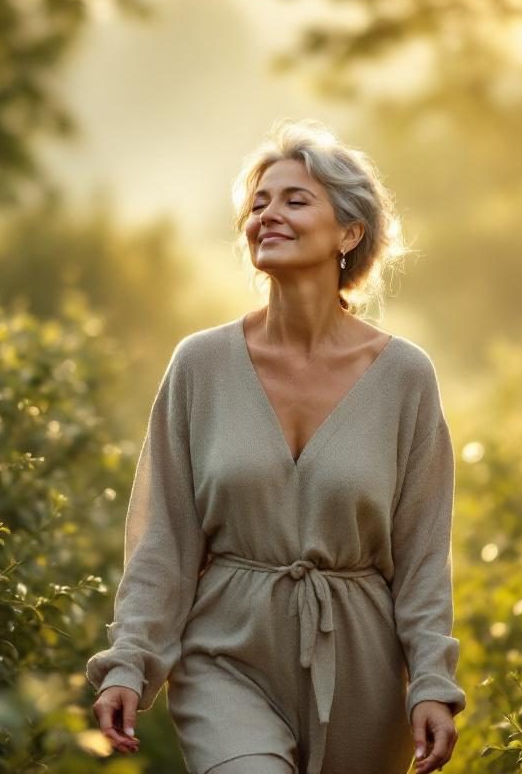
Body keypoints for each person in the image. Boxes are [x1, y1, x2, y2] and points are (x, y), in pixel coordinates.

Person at [86, 119, 466, 773]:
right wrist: (130, 660)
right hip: (225, 653)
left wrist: (431, 680)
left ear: (350, 233)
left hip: (360, 670)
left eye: (295, 200)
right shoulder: (200, 366)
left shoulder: (406, 377)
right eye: (259, 203)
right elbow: (164, 539)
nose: (268, 215)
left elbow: (423, 555)